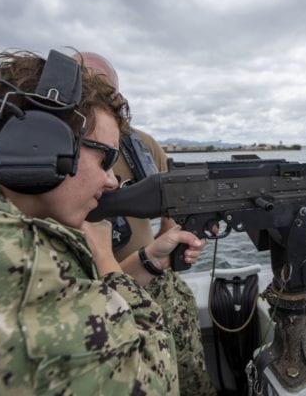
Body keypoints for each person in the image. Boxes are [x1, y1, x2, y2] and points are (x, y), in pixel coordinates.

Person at [0, 49, 206, 394]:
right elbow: (149, 382)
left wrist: (148, 259)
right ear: (41, 141)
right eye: (104, 159)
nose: (112, 181)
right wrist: (104, 258)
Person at [74, 52, 216, 395]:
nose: (109, 181)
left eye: (106, 91)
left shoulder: (144, 145)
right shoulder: (56, 160)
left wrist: (167, 252)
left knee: (190, 374)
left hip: (152, 278)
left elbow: (172, 207)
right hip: (98, 298)